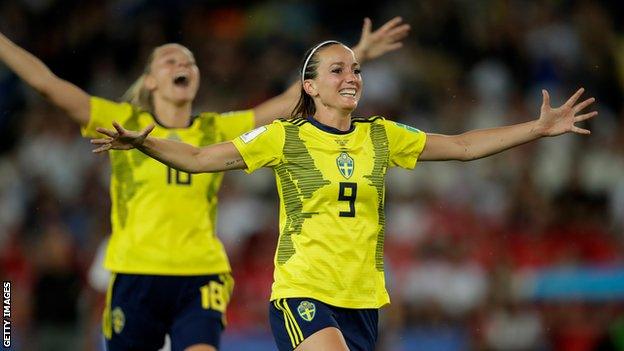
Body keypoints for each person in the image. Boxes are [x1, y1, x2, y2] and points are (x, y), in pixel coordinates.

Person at [90, 41, 597, 351]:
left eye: (355, 69)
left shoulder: (381, 135)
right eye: (337, 70)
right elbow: (201, 158)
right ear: (309, 86)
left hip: (362, 301)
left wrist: (536, 128)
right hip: (302, 292)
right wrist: (145, 142)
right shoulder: (283, 137)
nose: (352, 76)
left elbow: (462, 146)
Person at [0, 19, 410, 351]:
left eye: (191, 61)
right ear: (150, 82)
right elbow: (46, 84)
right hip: (135, 271)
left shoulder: (216, 127)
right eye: (171, 59)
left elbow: (292, 101)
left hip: (202, 273)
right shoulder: (121, 120)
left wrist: (358, 57)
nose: (184, 64)